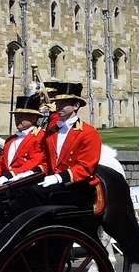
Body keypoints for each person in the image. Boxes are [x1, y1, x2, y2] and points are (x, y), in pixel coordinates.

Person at [34, 82, 103, 212]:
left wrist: (58, 178)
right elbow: (47, 160)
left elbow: (85, 167)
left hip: (78, 185)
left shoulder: (88, 132)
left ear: (76, 106)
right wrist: (30, 173)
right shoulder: (52, 131)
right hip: (54, 182)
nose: (59, 106)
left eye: (64, 103)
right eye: (58, 103)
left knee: (35, 193)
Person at [0, 95, 48, 184]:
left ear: (33, 118)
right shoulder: (10, 140)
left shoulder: (40, 137)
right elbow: (0, 163)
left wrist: (10, 175)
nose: (17, 119)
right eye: (16, 116)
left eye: (21, 116)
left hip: (27, 182)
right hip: (6, 182)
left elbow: (34, 162)